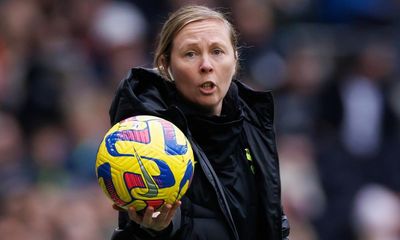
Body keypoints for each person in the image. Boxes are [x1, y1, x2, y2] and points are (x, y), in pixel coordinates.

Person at [108, 5, 290, 240]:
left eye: (217, 51)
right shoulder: (147, 140)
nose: (206, 65)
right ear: (165, 65)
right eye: (190, 54)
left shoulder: (254, 125)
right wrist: (151, 232)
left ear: (234, 60)